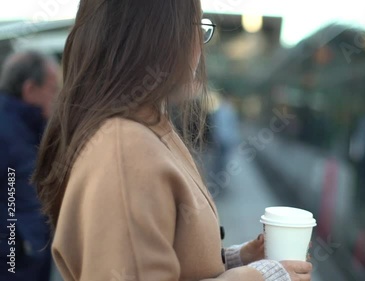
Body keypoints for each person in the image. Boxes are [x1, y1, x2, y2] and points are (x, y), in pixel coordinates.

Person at [31, 1, 313, 281]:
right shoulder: (126, 150)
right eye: (196, 28)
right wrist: (262, 278)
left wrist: (237, 259)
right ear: (156, 37)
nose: (201, 48)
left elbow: (165, 260)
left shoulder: (144, 129)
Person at [0, 51, 60, 281]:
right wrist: (21, 244)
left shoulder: (27, 125)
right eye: (53, 89)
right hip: (15, 262)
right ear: (30, 90)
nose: (56, 97)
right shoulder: (9, 132)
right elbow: (16, 195)